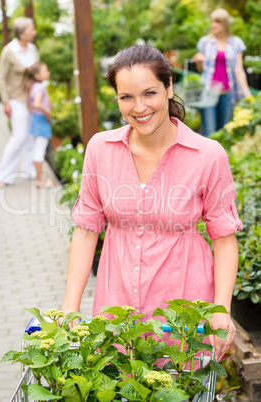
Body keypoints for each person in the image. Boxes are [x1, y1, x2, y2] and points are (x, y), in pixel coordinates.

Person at [61, 45, 243, 361]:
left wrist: (221, 310)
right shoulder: (101, 150)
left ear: (169, 87)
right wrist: (69, 309)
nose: (139, 107)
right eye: (126, 97)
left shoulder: (208, 156)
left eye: (149, 93)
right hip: (116, 309)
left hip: (183, 313)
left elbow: (225, 239)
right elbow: (86, 230)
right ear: (116, 99)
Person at [0, 17, 38, 188]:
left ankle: (28, 170)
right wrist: (5, 101)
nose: (34, 32)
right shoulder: (9, 50)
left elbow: (37, 72)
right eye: (31, 29)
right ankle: (2, 175)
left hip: (32, 100)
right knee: (18, 137)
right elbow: (1, 77)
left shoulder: (33, 49)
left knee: (30, 137)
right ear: (22, 33)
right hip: (16, 100)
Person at [193, 8, 251, 137]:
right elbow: (201, 70)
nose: (213, 25)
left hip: (228, 94)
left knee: (224, 131)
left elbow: (239, 70)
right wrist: (199, 61)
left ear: (225, 24)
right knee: (209, 132)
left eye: (217, 22)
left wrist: (247, 94)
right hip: (209, 92)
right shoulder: (205, 42)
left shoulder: (236, 43)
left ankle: (221, 157)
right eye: (212, 21)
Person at [22, 61, 55, 188]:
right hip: (41, 120)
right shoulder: (40, 87)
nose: (48, 73)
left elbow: (28, 104)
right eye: (45, 71)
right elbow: (36, 103)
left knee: (36, 148)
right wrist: (47, 113)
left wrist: (34, 112)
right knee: (40, 149)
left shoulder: (32, 86)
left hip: (35, 119)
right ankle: (39, 179)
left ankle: (39, 177)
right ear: (37, 75)